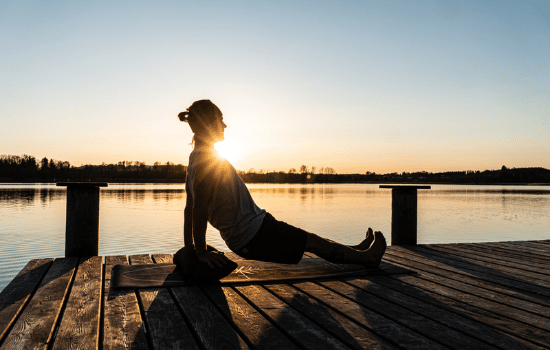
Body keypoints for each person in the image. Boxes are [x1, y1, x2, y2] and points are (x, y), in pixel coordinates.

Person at [178, 99, 386, 269]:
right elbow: (199, 209)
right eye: (220, 119)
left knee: (309, 240)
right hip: (253, 235)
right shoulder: (206, 160)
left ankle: (356, 251)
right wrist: (200, 252)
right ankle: (368, 259)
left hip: (254, 231)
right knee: (310, 242)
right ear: (207, 123)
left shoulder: (195, 157)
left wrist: (190, 248)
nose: (224, 125)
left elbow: (190, 208)